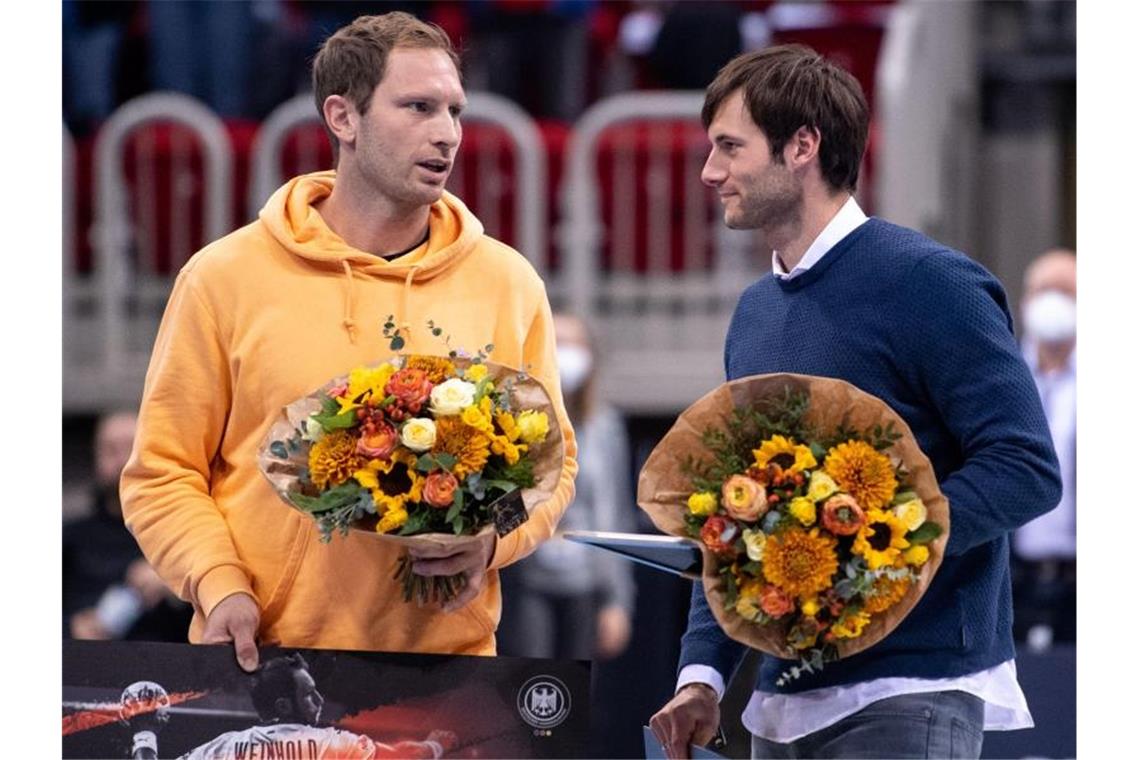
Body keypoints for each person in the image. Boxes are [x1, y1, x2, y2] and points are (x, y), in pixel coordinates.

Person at [120, 12, 577, 673]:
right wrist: (218, 586)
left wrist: (489, 545)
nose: (446, 134)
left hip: (450, 675)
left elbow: (553, 466)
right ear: (343, 117)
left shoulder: (506, 281)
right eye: (418, 107)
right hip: (264, 663)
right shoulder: (224, 277)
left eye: (455, 111)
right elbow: (163, 472)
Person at [648, 45, 1061, 759]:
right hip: (777, 707)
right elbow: (735, 514)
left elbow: (1026, 466)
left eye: (729, 147)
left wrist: (871, 545)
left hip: (911, 690)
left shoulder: (932, 283)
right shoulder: (753, 313)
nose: (710, 171)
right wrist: (703, 677)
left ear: (802, 145)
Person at [498, 312, 635, 661]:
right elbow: (500, 505)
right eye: (555, 344)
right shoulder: (515, 421)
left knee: (580, 698)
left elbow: (616, 514)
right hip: (526, 578)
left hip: (588, 580)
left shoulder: (606, 427)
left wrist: (618, 602)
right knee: (533, 691)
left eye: (573, 343)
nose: (564, 354)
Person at [64, 411, 193, 642]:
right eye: (111, 449)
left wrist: (177, 581)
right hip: (87, 667)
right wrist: (72, 628)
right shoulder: (70, 537)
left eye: (131, 448)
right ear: (96, 457)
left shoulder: (183, 534)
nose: (122, 460)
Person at [178, 654, 457, 760]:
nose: (320, 701)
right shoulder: (331, 744)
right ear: (284, 705)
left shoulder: (222, 747)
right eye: (310, 694)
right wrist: (436, 744)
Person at [1012, 249, 1076, 645]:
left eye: (1065, 291)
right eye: (1043, 291)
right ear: (1024, 303)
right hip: (1016, 574)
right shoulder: (1006, 376)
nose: (1052, 302)